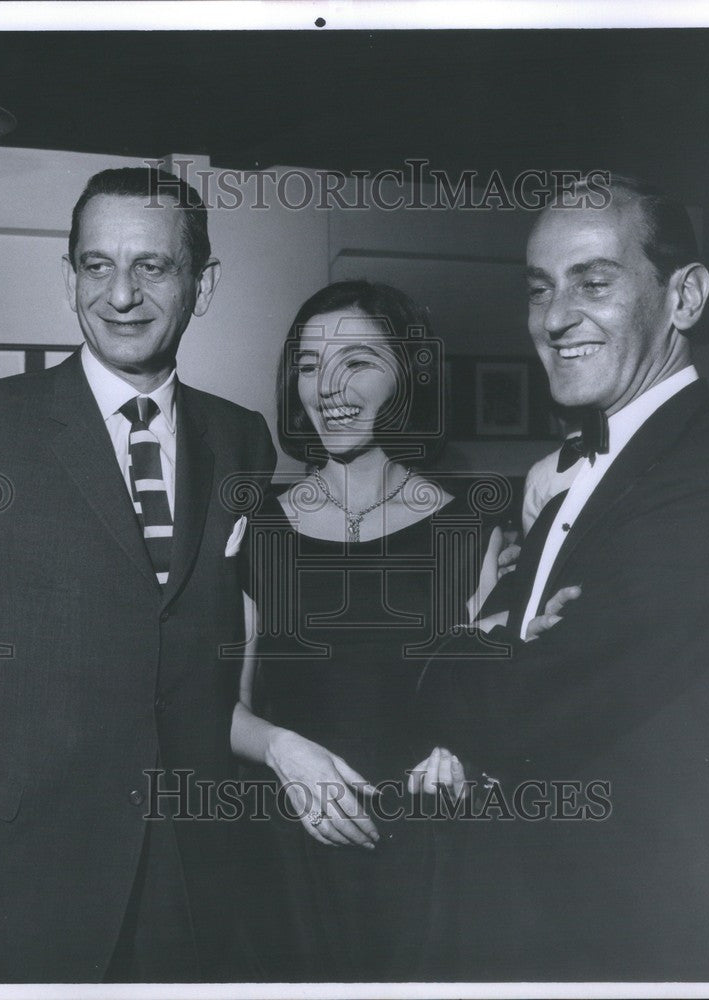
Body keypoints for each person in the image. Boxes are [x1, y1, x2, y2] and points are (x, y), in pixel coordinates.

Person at [416, 176, 709, 981]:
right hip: (527, 911)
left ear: (685, 296)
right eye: (539, 289)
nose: (556, 318)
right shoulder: (584, 468)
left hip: (620, 934)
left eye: (593, 283)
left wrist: (459, 648)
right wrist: (500, 642)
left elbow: (518, 706)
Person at [0, 167, 276, 983]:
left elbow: (276, 615)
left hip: (194, 861)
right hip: (29, 861)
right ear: (68, 276)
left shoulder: (241, 438)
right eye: (96, 265)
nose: (120, 294)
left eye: (152, 266)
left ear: (201, 283)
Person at [228, 280, 541, 981]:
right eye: (309, 366)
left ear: (408, 375)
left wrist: (461, 752)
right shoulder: (260, 530)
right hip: (295, 862)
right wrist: (285, 751)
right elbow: (219, 707)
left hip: (432, 861)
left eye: (357, 361)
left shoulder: (472, 524)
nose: (328, 387)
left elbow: (492, 700)